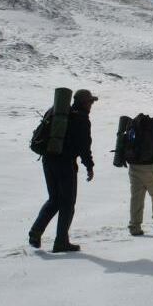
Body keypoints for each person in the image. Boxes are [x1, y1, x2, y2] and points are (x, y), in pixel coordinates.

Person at [28, 89, 96, 252]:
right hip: (65, 164)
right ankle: (61, 242)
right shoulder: (81, 119)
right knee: (67, 203)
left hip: (48, 160)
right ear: (84, 102)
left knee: (54, 199)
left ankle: (35, 233)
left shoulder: (57, 112)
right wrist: (89, 166)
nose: (92, 105)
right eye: (90, 102)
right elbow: (84, 146)